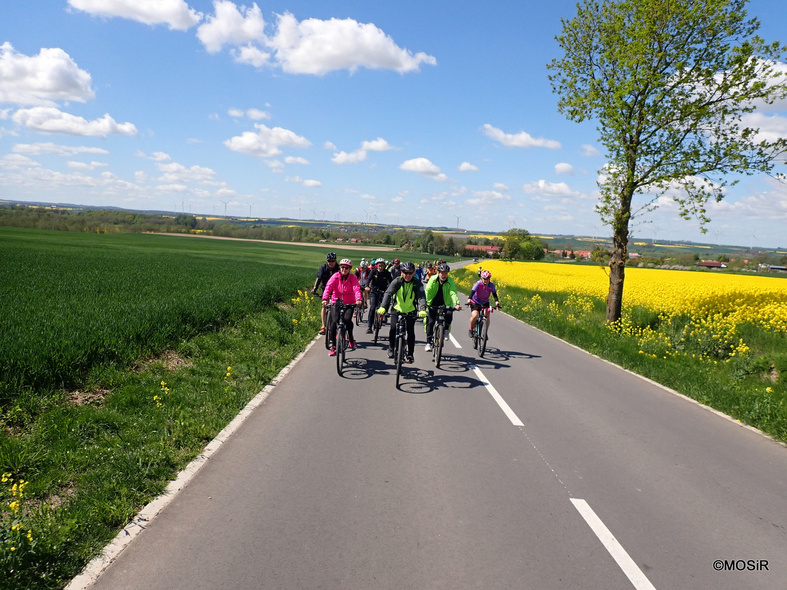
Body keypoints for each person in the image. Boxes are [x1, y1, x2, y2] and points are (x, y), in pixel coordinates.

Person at [378, 261, 426, 364]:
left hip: (410, 310)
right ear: (401, 272)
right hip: (397, 309)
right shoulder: (397, 281)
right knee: (393, 328)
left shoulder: (416, 283)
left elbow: (421, 296)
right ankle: (391, 348)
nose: (407, 275)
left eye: (410, 273)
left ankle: (410, 354)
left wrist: (422, 308)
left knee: (410, 332)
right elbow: (388, 293)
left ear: (413, 273)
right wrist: (383, 307)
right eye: (405, 272)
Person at [322, 259, 363, 357]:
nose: (344, 269)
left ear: (350, 269)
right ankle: (334, 347)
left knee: (347, 319)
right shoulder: (335, 276)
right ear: (340, 268)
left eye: (347, 268)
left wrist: (358, 299)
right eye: (342, 267)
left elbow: (356, 289)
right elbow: (328, 287)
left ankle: (351, 338)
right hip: (336, 301)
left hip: (349, 302)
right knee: (334, 323)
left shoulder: (352, 278)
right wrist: (325, 298)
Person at [424, 263, 462, 352]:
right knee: (431, 321)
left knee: (449, 313)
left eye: (446, 273)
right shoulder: (433, 279)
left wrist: (456, 303)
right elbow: (428, 290)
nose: (444, 275)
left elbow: (453, 292)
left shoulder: (450, 281)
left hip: (445, 303)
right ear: (438, 272)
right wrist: (425, 301)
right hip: (432, 303)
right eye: (442, 273)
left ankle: (445, 331)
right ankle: (429, 343)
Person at [311, 252, 339, 335]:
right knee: (324, 305)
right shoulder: (323, 267)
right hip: (325, 289)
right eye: (329, 261)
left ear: (335, 261)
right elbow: (318, 278)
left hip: (336, 289)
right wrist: (314, 289)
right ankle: (323, 326)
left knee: (337, 306)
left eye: (333, 261)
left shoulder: (338, 268)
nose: (331, 263)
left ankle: (337, 325)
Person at [468, 269, 500, 337]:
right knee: (475, 315)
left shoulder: (491, 285)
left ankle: (485, 333)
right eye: (484, 278)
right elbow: (472, 292)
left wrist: (497, 303)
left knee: (487, 316)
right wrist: (469, 299)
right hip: (475, 301)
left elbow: (495, 295)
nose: (486, 280)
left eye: (487, 278)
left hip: (485, 302)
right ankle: (471, 329)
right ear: (481, 278)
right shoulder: (478, 284)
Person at [365, 258, 392, 333]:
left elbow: (391, 282)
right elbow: (368, 279)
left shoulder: (387, 273)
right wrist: (367, 286)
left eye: (382, 266)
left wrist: (391, 290)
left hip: (384, 291)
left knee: (385, 304)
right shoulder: (373, 271)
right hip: (374, 291)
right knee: (373, 307)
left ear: (384, 266)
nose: (380, 267)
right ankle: (369, 327)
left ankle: (384, 315)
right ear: (376, 266)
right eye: (379, 265)